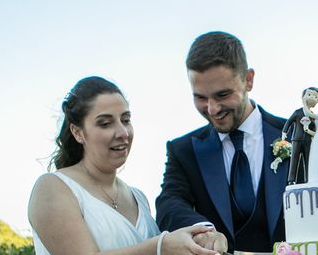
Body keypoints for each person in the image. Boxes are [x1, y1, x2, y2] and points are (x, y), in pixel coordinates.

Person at [28, 76, 225, 255]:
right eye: (105, 123)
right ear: (78, 132)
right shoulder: (52, 187)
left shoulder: (138, 198)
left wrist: (202, 240)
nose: (122, 132)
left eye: (126, 120)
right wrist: (159, 247)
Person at [155, 32, 288, 254]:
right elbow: (169, 204)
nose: (212, 109)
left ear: (248, 80)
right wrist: (204, 231)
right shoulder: (183, 151)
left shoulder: (297, 136)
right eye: (200, 98)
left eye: (222, 95)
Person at [281, 87, 318, 184]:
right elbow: (289, 122)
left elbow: (315, 128)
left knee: (308, 160)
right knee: (294, 159)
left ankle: (308, 179)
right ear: (303, 97)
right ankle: (291, 180)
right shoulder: (298, 112)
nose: (312, 98)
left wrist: (312, 133)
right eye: (309, 95)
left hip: (308, 141)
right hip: (296, 139)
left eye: (315, 97)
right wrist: (284, 132)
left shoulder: (313, 116)